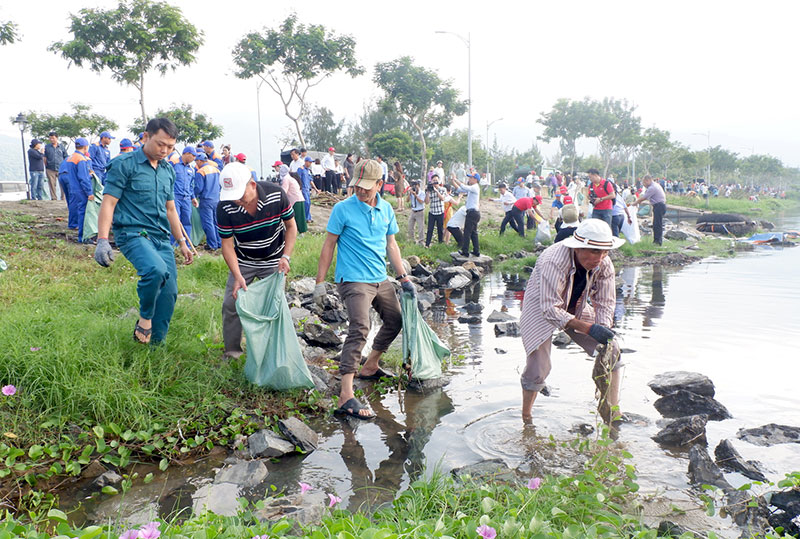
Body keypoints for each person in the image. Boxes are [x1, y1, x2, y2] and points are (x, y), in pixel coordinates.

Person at [314, 159, 415, 419]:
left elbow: (391, 245)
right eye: (357, 186)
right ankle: (346, 396)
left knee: (395, 320)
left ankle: (370, 366)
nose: (361, 191)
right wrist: (319, 283)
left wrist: (403, 277)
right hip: (353, 279)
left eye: (367, 187)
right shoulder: (342, 209)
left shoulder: (386, 209)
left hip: (379, 278)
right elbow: (329, 245)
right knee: (360, 328)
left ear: (380, 184)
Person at [93, 118, 193, 344]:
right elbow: (108, 203)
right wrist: (102, 240)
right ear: (145, 137)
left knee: (169, 293)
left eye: (170, 147)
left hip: (160, 237)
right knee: (155, 271)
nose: (165, 151)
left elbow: (170, 209)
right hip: (133, 234)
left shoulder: (168, 170)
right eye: (160, 144)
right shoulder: (124, 164)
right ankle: (145, 319)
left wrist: (182, 242)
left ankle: (156, 347)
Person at [518, 219, 625, 422]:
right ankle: (526, 417)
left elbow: (605, 302)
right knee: (538, 368)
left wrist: (602, 329)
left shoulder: (604, 263)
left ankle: (612, 411)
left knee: (613, 349)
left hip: (575, 306)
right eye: (594, 251)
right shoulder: (554, 260)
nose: (599, 257)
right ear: (578, 247)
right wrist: (588, 328)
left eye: (604, 252)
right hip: (541, 306)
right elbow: (550, 310)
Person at [217, 162, 298, 359]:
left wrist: (285, 257)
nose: (237, 201)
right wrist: (237, 275)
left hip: (274, 260)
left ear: (252, 184)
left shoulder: (276, 194)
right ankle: (232, 352)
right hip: (244, 261)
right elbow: (227, 245)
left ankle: (275, 353)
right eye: (233, 197)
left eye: (240, 195)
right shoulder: (225, 206)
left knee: (275, 305)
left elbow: (291, 226)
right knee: (231, 303)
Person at [65, 138, 94, 241]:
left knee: (76, 209)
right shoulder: (81, 159)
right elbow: (83, 177)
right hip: (81, 189)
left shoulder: (71, 157)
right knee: (84, 213)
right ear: (86, 147)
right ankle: (83, 237)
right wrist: (89, 192)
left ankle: (79, 233)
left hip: (73, 188)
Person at [193, 152, 222, 250]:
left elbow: (199, 188)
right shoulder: (216, 170)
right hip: (216, 199)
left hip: (206, 200)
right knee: (216, 222)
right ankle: (219, 243)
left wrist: (193, 196)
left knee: (208, 223)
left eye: (196, 161)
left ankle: (212, 245)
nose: (196, 164)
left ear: (200, 161)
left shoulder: (201, 171)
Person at [171, 146, 198, 245]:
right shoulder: (173, 164)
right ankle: (174, 245)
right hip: (175, 197)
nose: (194, 158)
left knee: (187, 222)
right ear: (186, 154)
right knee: (175, 222)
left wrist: (193, 197)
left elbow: (191, 185)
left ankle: (187, 246)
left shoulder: (191, 169)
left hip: (186, 198)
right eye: (193, 155)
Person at [452, 172, 481, 257]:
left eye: (470, 178)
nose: (469, 179)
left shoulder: (475, 187)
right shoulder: (472, 188)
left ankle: (465, 251)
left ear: (475, 179)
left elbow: (464, 187)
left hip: (472, 213)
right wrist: (453, 181)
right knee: (473, 233)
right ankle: (476, 251)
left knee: (467, 232)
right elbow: (460, 190)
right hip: (474, 213)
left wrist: (456, 179)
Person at [632, 174, 667, 245]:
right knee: (656, 224)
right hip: (658, 206)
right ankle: (656, 241)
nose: (644, 185)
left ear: (648, 180)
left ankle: (657, 242)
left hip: (659, 206)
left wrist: (635, 203)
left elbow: (644, 197)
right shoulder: (655, 185)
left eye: (644, 183)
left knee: (657, 224)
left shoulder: (652, 188)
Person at [278, 164, 306, 233]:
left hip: (295, 200)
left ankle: (300, 232)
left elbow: (284, 191)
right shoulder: (289, 178)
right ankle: (301, 232)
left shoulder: (286, 179)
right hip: (298, 199)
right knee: (300, 217)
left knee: (298, 217)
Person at [44, 131, 68, 201]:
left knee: (62, 184)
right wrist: (46, 166)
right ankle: (54, 198)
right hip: (50, 168)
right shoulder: (47, 147)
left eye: (53, 138)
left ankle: (63, 198)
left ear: (57, 138)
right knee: (52, 184)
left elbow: (66, 157)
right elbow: (45, 157)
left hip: (61, 168)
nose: (52, 140)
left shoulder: (61, 147)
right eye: (50, 138)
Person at [425, 176, 447, 246]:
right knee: (430, 229)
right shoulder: (429, 190)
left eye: (436, 181)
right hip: (432, 212)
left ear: (439, 181)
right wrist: (428, 192)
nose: (435, 182)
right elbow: (427, 202)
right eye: (433, 181)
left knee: (440, 229)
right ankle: (427, 244)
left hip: (440, 212)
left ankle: (440, 243)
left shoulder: (443, 189)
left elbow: (442, 198)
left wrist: (436, 190)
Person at [297, 156, 319, 223]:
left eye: (311, 162)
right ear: (306, 162)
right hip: (303, 188)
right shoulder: (301, 169)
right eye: (309, 162)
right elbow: (298, 179)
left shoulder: (308, 171)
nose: (310, 163)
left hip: (307, 189)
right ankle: (305, 218)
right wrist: (299, 188)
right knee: (306, 203)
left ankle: (308, 217)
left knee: (308, 203)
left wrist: (316, 189)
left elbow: (311, 181)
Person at [407, 179, 426, 245]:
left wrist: (415, 195)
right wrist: (409, 193)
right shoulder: (411, 192)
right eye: (413, 186)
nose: (414, 187)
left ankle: (421, 241)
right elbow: (407, 200)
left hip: (420, 211)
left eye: (415, 186)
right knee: (410, 226)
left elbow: (421, 201)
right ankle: (412, 240)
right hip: (413, 211)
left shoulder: (422, 193)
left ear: (418, 186)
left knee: (421, 227)